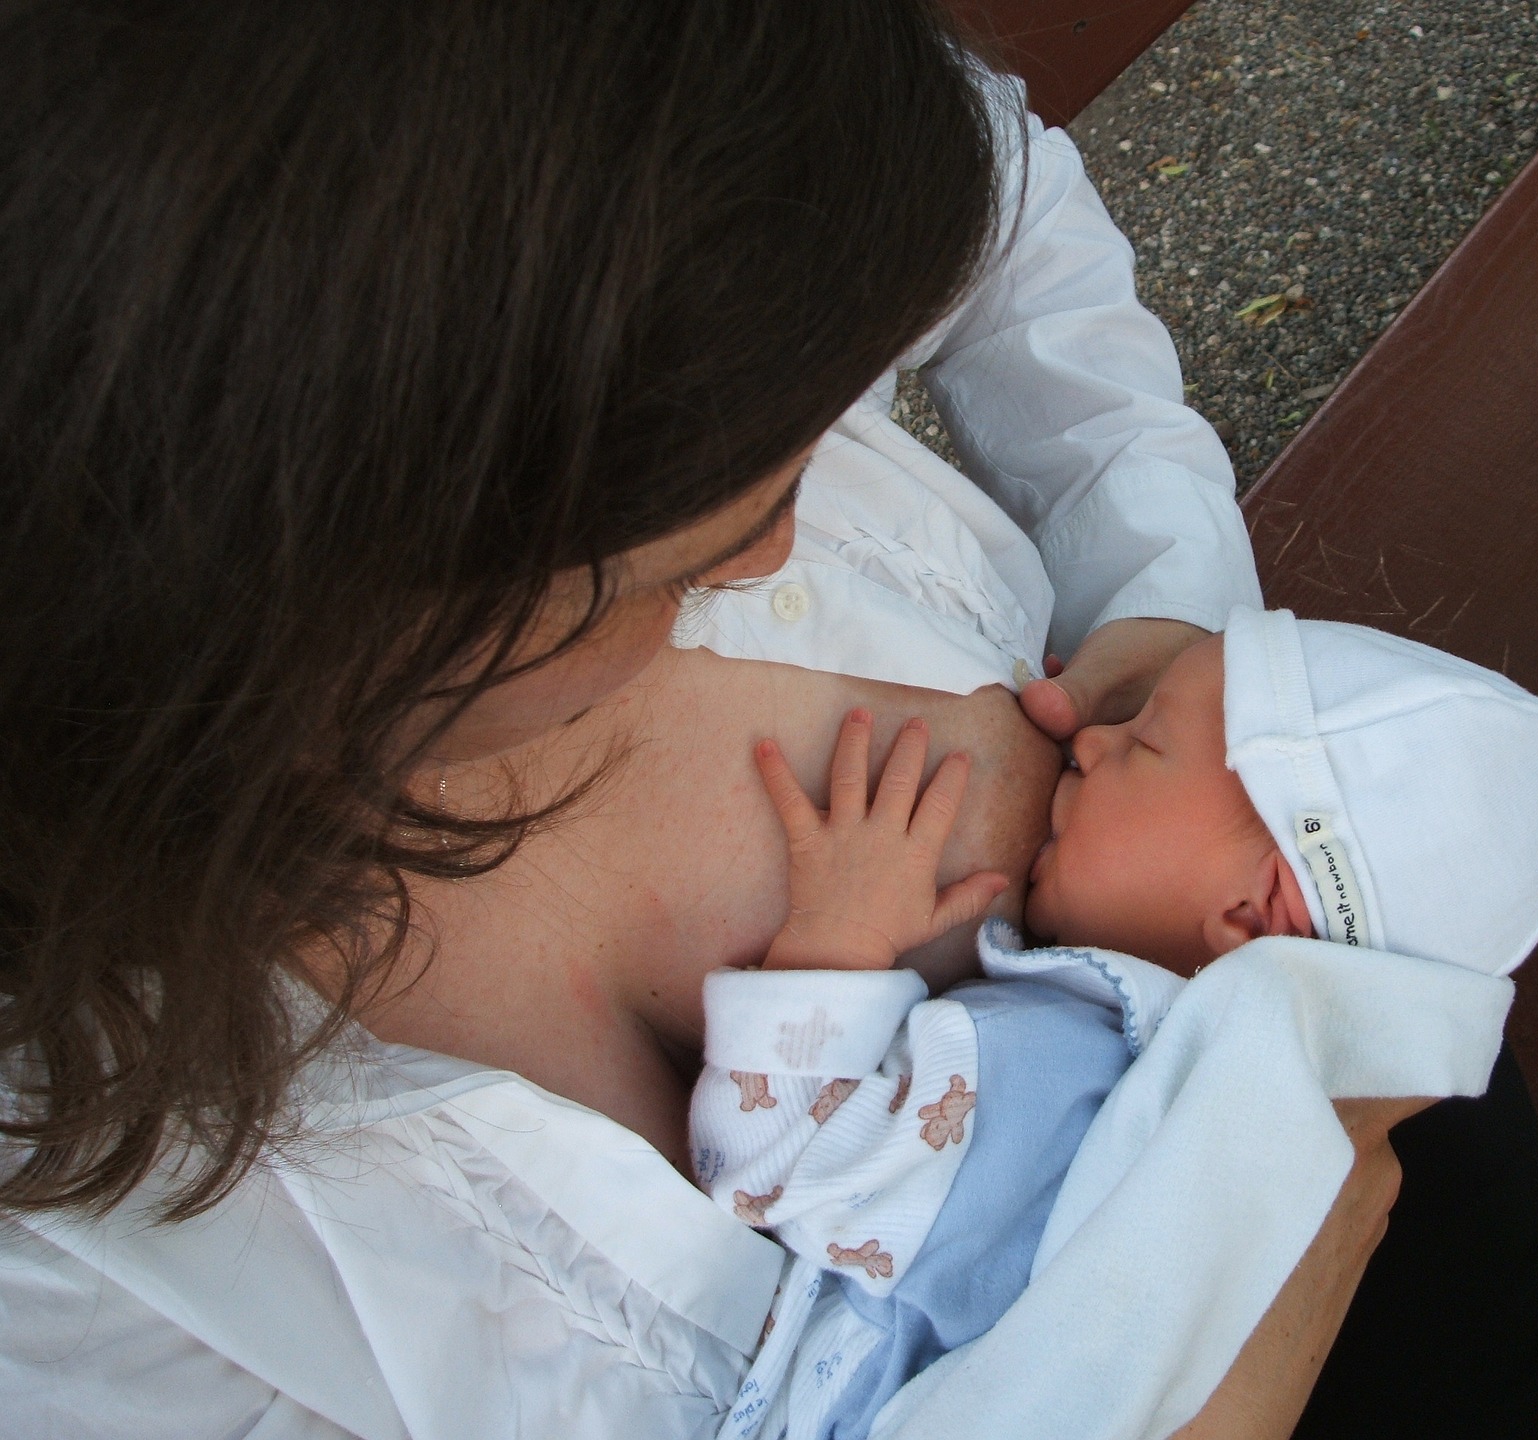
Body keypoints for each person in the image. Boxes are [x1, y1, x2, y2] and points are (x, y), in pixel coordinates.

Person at [0, 4, 1411, 1437]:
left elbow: (997, 210)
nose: (775, 555)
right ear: (331, 585)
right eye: (704, 540)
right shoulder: (88, 1276)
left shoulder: (597, 157)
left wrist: (1170, 616)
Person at [687, 607, 1538, 1438]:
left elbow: (770, 1166)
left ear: (1251, 912)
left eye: (1143, 742)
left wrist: (837, 939)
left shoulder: (1048, 1071)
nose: (1087, 737)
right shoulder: (1235, 1140)